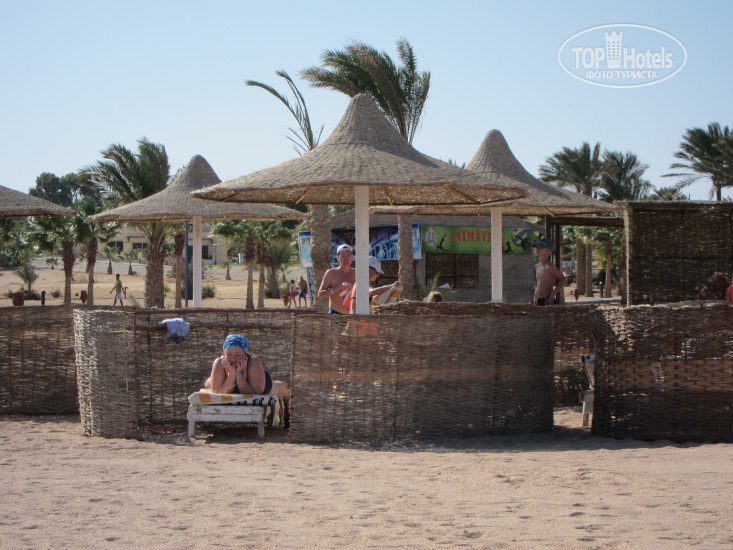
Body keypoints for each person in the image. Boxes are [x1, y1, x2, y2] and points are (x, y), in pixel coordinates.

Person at [204, 334, 290, 423]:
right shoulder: (219, 362)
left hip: (255, 380)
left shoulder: (253, 362)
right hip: (228, 379)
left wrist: (239, 375)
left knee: (280, 387)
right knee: (209, 383)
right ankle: (210, 379)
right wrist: (231, 374)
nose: (233, 358)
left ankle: (288, 413)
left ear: (246, 355)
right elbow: (218, 393)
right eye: (229, 354)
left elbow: (255, 394)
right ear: (223, 355)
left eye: (238, 355)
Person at [317, 244, 355, 314]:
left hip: (353, 314)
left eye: (349, 255)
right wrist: (338, 288)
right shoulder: (331, 273)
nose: (346, 258)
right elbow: (320, 296)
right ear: (338, 258)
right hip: (335, 314)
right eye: (343, 256)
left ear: (352, 257)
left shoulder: (357, 273)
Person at [533, 238, 566, 306]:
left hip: (547, 300)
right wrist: (535, 294)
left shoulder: (550, 267)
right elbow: (540, 283)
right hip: (538, 300)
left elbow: (563, 279)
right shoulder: (537, 266)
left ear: (549, 251)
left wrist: (553, 293)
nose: (537, 249)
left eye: (540, 247)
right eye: (537, 247)